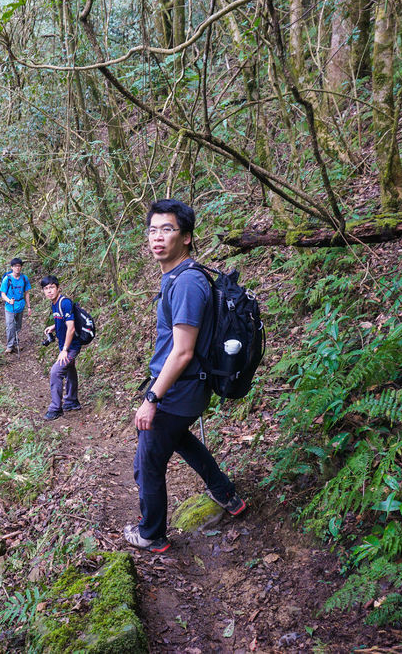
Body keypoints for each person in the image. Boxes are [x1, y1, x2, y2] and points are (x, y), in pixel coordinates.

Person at [124, 199, 247, 553]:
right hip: (185, 387)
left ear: (187, 237)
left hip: (180, 387)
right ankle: (226, 494)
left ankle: (151, 534)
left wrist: (151, 398)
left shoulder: (188, 283)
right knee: (179, 438)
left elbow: (183, 351)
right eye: (152, 230)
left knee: (146, 462)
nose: (157, 237)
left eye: (167, 229)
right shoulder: (177, 278)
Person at [40, 275, 83, 420]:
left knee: (55, 372)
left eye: (52, 287)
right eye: (46, 288)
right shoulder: (54, 303)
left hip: (71, 346)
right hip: (64, 345)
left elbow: (71, 328)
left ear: (58, 288)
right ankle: (72, 401)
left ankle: (55, 408)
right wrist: (53, 326)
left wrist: (64, 350)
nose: (49, 291)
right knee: (70, 370)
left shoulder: (64, 302)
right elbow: (63, 319)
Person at [0, 258, 31, 353]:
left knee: (18, 326)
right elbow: (3, 294)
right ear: (11, 267)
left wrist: (29, 307)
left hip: (20, 306)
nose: (17, 268)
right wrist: (9, 300)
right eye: (15, 266)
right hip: (10, 307)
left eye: (19, 266)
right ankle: (10, 346)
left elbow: (27, 293)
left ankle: (16, 343)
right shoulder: (7, 279)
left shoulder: (24, 278)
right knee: (10, 326)